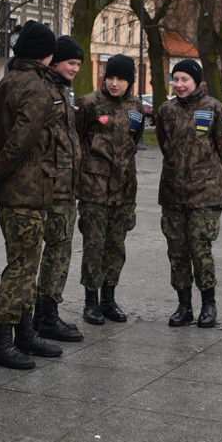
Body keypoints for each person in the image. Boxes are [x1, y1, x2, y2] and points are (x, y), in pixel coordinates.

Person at [0, 20, 64, 369]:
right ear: (46, 54)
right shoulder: (37, 89)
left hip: (17, 189)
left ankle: (24, 333)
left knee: (26, 263)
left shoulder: (7, 81)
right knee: (21, 267)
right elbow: (16, 145)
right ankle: (2, 341)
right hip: (25, 190)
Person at [154, 59, 222, 328]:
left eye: (184, 80)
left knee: (200, 251)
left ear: (196, 81)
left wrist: (203, 173)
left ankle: (208, 304)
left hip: (205, 194)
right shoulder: (166, 110)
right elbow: (165, 146)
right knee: (176, 252)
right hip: (173, 193)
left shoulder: (214, 108)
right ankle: (184, 305)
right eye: (175, 79)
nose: (179, 85)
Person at [74, 54, 145, 325]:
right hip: (94, 189)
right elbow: (77, 141)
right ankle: (90, 302)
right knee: (94, 246)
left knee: (116, 247)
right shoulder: (89, 103)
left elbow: (134, 141)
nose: (114, 83)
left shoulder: (137, 108)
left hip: (124, 190)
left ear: (129, 81)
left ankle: (109, 299)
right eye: (110, 77)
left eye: (120, 79)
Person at [33, 35, 84, 342]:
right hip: (51, 187)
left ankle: (46, 313)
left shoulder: (62, 91)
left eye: (79, 63)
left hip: (66, 187)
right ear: (54, 60)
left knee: (60, 251)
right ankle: (44, 316)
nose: (75, 68)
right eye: (71, 62)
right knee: (55, 252)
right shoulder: (46, 90)